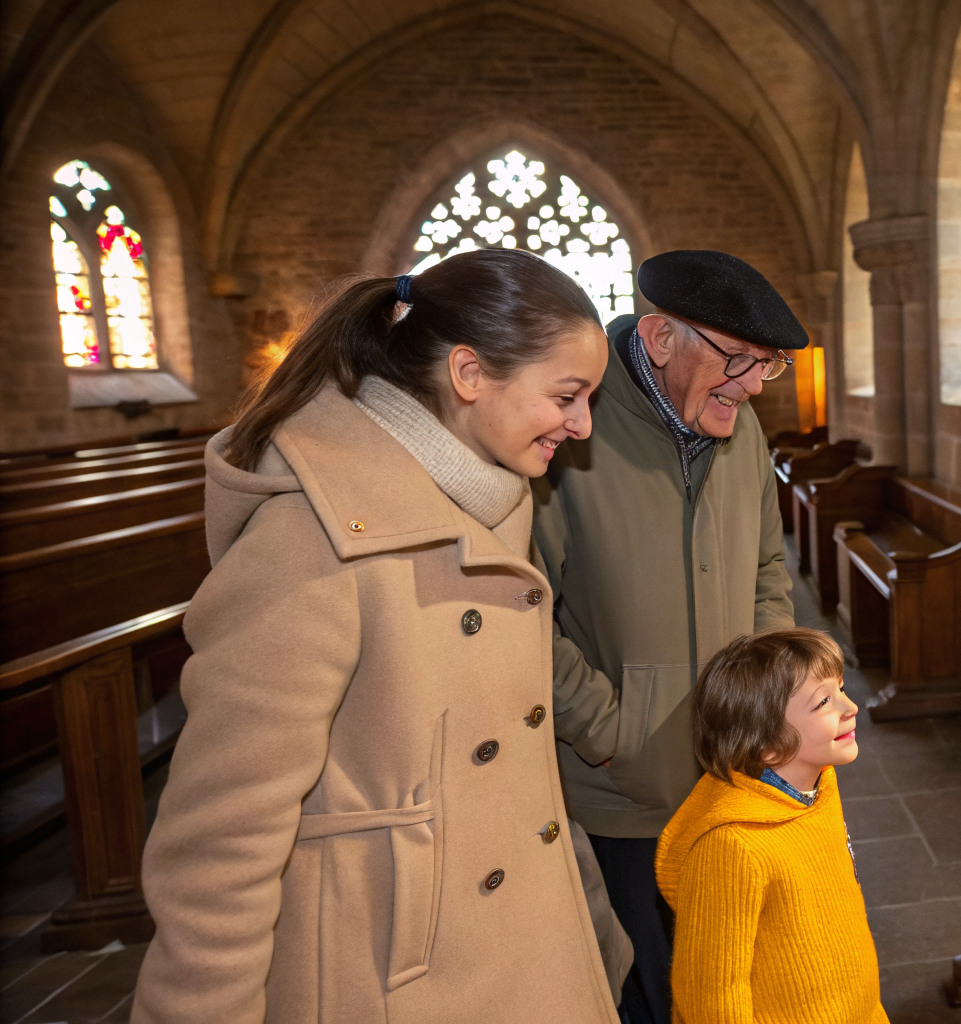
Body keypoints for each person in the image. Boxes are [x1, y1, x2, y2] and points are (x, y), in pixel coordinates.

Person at [132, 249, 630, 1024]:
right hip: (389, 976)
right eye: (566, 395)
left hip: (522, 954)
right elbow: (222, 835)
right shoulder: (315, 534)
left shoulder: (485, 500)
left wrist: (590, 919)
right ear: (469, 373)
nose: (583, 424)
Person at [534, 249, 802, 1023]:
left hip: (730, 769)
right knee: (647, 991)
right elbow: (524, 612)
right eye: (739, 360)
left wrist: (771, 696)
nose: (753, 386)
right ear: (658, 338)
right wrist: (610, 730)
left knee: (724, 982)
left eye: (767, 366)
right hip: (623, 787)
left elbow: (764, 571)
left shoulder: (740, 428)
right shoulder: (571, 429)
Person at [655, 628, 887, 1024]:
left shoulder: (818, 787)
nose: (851, 707)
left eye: (842, 688)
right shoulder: (732, 846)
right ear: (767, 745)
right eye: (824, 702)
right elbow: (710, 998)